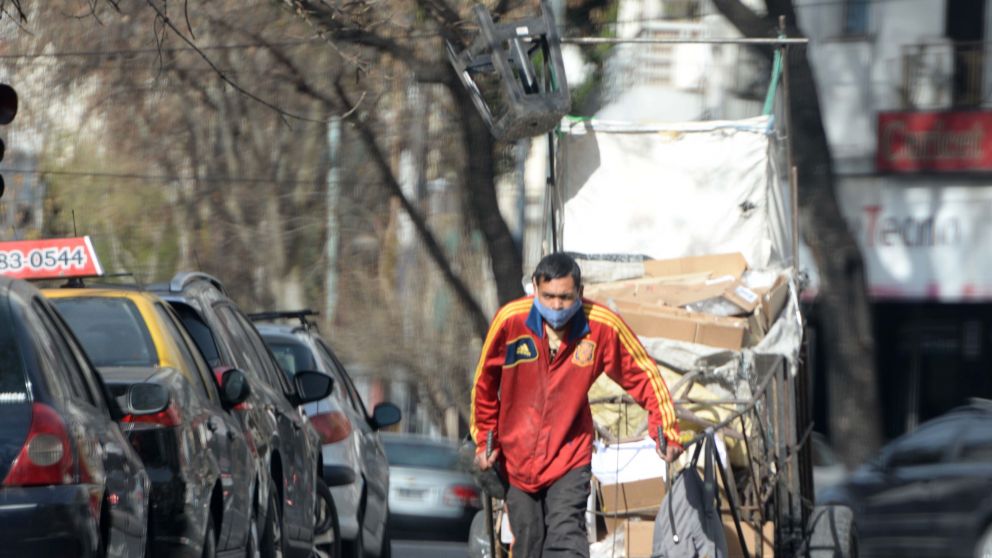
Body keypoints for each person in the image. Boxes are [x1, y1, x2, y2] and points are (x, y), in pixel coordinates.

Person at [472, 252, 683, 557]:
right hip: (515, 455)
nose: (556, 306)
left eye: (565, 298)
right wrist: (485, 438)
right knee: (528, 540)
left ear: (580, 293)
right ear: (534, 288)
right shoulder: (510, 321)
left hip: (568, 455)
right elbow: (484, 383)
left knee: (566, 536)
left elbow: (644, 375)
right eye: (548, 297)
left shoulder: (602, 325)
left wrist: (665, 430)